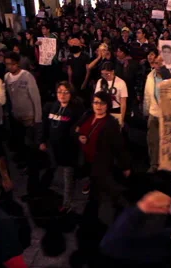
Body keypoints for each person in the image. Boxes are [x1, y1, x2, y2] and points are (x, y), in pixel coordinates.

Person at [73, 91, 131, 267]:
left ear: (107, 105)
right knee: (98, 195)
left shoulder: (111, 124)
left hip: (102, 165)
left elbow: (119, 147)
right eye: (95, 102)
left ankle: (114, 226)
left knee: (103, 196)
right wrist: (79, 137)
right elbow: (75, 130)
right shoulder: (87, 116)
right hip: (88, 164)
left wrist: (125, 165)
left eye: (102, 103)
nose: (98, 106)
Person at [3, 51, 43, 199]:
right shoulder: (7, 78)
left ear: (17, 63)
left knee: (31, 148)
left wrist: (37, 119)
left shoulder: (27, 77)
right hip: (16, 118)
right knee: (22, 147)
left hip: (29, 118)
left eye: (11, 64)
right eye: (7, 64)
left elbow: (36, 98)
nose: (9, 67)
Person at [40, 81, 85, 212]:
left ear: (71, 94)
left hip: (69, 149)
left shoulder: (75, 110)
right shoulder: (52, 106)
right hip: (54, 148)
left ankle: (67, 203)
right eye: (60, 91)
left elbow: (77, 129)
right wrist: (42, 140)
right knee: (56, 171)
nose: (62, 95)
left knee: (68, 175)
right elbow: (46, 125)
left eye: (66, 92)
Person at [143, 56, 171, 173]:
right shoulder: (150, 77)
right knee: (153, 141)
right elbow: (147, 95)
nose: (157, 66)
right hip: (154, 113)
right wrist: (146, 111)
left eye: (160, 63)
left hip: (168, 116)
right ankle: (154, 165)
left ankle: (168, 167)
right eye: (156, 63)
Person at [94, 62, 128, 127]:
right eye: (103, 74)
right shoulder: (100, 81)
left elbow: (123, 103)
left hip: (115, 110)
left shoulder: (121, 83)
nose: (105, 76)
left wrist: (122, 119)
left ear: (113, 71)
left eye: (107, 74)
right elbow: (96, 98)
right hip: (103, 109)